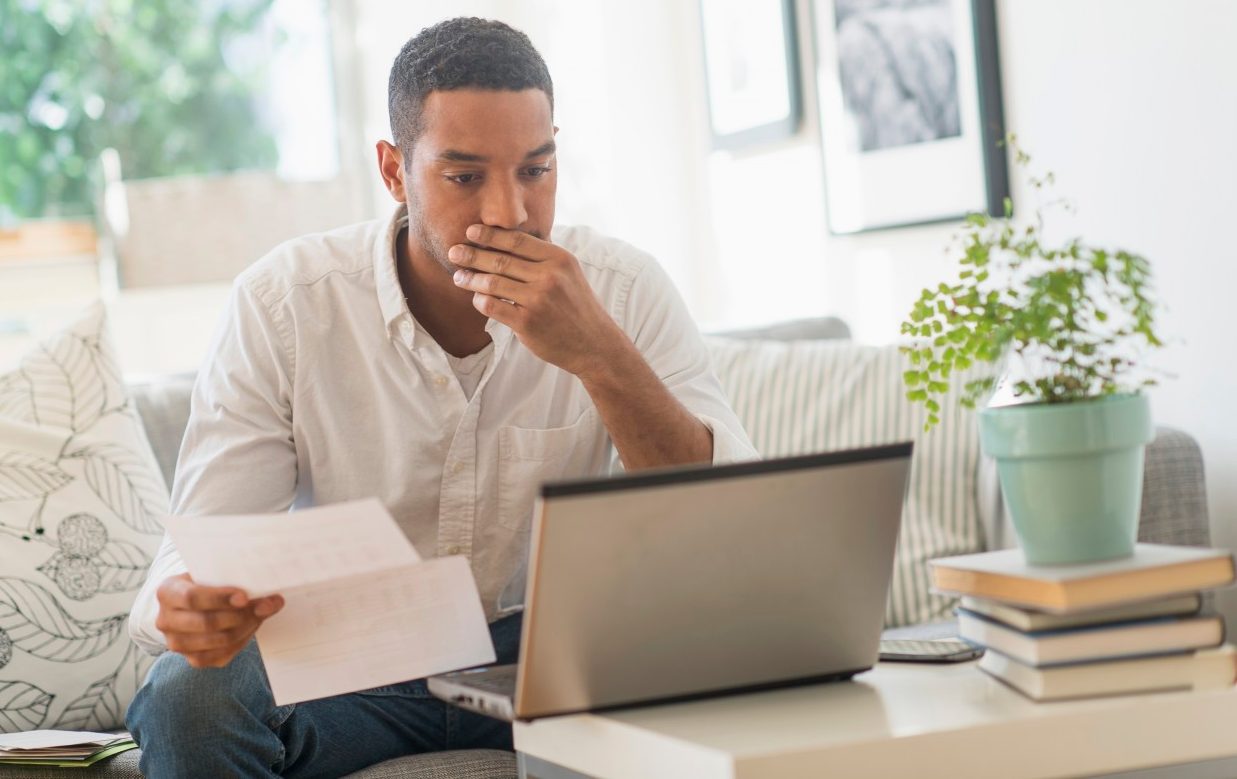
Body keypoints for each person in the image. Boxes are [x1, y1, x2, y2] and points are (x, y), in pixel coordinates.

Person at [125, 16, 756, 778]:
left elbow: (721, 525)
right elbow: (203, 545)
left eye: (535, 169)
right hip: (351, 661)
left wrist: (598, 354)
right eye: (464, 176)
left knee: (733, 666)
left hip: (557, 661)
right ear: (394, 171)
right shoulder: (285, 302)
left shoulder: (623, 289)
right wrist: (191, 603)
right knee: (187, 697)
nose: (509, 213)